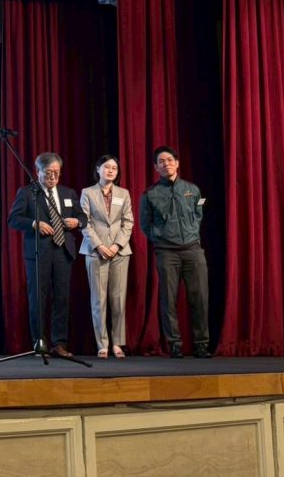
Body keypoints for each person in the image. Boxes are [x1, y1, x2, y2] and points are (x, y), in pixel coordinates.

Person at [7, 152, 87, 357]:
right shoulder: (28, 193)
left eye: (57, 172)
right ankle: (40, 342)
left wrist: (77, 222)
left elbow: (82, 217)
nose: (53, 177)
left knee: (62, 298)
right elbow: (13, 219)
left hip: (63, 251)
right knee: (38, 298)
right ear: (38, 172)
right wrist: (35, 223)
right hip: (38, 252)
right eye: (48, 172)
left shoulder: (68, 193)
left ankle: (59, 344)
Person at [139, 145, 211, 359]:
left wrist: (192, 232)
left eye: (170, 160)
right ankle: (175, 345)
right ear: (156, 167)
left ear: (177, 163)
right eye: (161, 161)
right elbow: (145, 224)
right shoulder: (150, 194)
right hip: (167, 253)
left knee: (200, 298)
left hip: (193, 251)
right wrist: (160, 237)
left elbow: (198, 214)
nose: (166, 164)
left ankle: (201, 344)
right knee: (168, 300)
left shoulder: (192, 189)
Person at [79, 155, 134, 359]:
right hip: (95, 251)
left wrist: (116, 245)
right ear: (98, 169)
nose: (110, 170)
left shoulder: (123, 193)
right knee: (98, 300)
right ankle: (102, 343)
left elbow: (128, 222)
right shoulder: (87, 192)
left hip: (120, 251)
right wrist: (100, 245)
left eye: (114, 168)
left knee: (118, 299)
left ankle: (118, 342)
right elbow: (84, 222)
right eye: (106, 167)